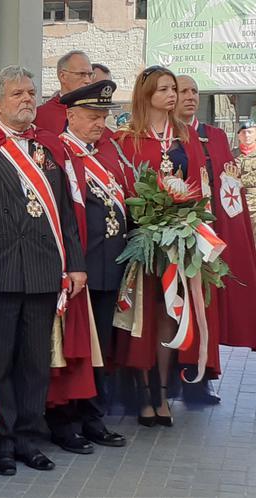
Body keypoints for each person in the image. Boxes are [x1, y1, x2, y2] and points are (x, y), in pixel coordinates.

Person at [0, 65, 87, 476]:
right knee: (1, 362)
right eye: (17, 94)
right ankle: (1, 440)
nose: (27, 99)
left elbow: (65, 210)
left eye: (31, 93)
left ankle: (29, 438)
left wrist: (76, 265)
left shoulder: (50, 147)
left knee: (35, 361)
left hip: (45, 269)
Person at [113, 65, 219, 427]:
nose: (172, 95)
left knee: (168, 318)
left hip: (177, 241)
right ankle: (143, 396)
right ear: (146, 96)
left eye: (173, 88)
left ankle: (162, 392)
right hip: (142, 241)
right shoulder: (127, 138)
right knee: (142, 319)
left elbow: (198, 186)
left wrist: (191, 225)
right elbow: (122, 189)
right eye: (163, 89)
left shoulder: (186, 136)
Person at [46, 80, 128, 453]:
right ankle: (64, 423)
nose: (100, 123)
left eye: (103, 116)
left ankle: (93, 417)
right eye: (93, 116)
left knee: (102, 350)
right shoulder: (58, 154)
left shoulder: (102, 155)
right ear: (71, 115)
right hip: (78, 271)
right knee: (74, 351)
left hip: (110, 269)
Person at [175, 76, 256, 373]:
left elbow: (229, 183)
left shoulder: (216, 136)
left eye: (194, 91)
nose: (190, 96)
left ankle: (205, 368)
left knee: (210, 297)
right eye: (183, 91)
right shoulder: (166, 136)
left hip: (214, 231)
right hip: (179, 231)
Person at [35, 50, 96, 134]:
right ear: (62, 76)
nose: (88, 80)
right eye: (81, 74)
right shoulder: (41, 115)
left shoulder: (97, 109)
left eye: (90, 75)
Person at [236, 119, 256, 245]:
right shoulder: (231, 154)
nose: (246, 135)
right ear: (238, 136)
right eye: (243, 132)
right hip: (238, 203)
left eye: (249, 132)